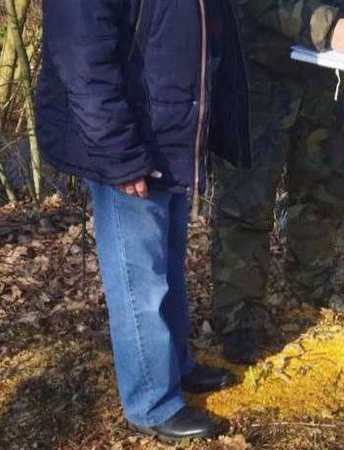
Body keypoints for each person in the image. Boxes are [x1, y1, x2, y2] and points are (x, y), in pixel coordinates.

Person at [36, 0, 252, 440]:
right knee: (139, 280)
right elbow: (83, 55)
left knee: (168, 261)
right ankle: (151, 402)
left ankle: (174, 364)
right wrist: (120, 155)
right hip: (132, 142)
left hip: (170, 131)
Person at [211, 0, 344, 364]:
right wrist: (330, 27)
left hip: (323, 76)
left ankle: (313, 284)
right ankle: (237, 319)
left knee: (323, 187)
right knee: (247, 203)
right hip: (254, 74)